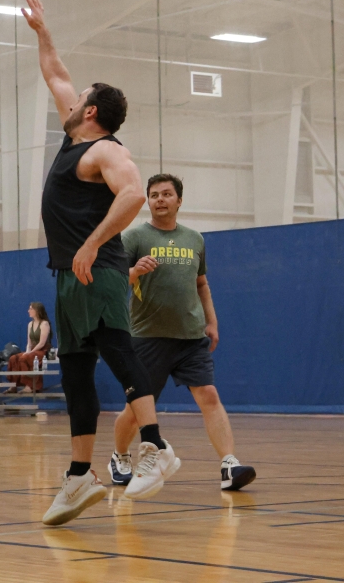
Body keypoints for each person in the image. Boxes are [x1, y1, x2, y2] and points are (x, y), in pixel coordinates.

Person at [22, 0, 179, 527]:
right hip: (68, 277)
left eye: (80, 97)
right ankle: (79, 476)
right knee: (75, 375)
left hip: (98, 269)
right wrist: (43, 30)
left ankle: (156, 447)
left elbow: (133, 194)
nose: (70, 97)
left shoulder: (106, 150)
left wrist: (92, 243)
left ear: (90, 112)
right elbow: (56, 70)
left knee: (117, 350)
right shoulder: (75, 136)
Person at [110, 173, 256, 492]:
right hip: (148, 337)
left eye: (166, 194)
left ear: (179, 200)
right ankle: (119, 455)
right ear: (147, 201)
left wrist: (211, 321)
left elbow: (201, 284)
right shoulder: (133, 238)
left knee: (210, 396)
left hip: (190, 337)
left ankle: (229, 464)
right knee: (135, 411)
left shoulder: (195, 239)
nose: (160, 199)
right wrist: (134, 272)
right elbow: (114, 280)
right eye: (154, 195)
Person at [6, 302, 53, 393]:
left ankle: (30, 386)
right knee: (13, 358)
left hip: (42, 350)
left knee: (26, 358)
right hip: (33, 350)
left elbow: (42, 343)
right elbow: (29, 342)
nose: (28, 311)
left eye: (31, 309)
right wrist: (28, 351)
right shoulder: (30, 324)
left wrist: (30, 353)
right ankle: (13, 385)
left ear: (37, 311)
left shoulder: (44, 324)